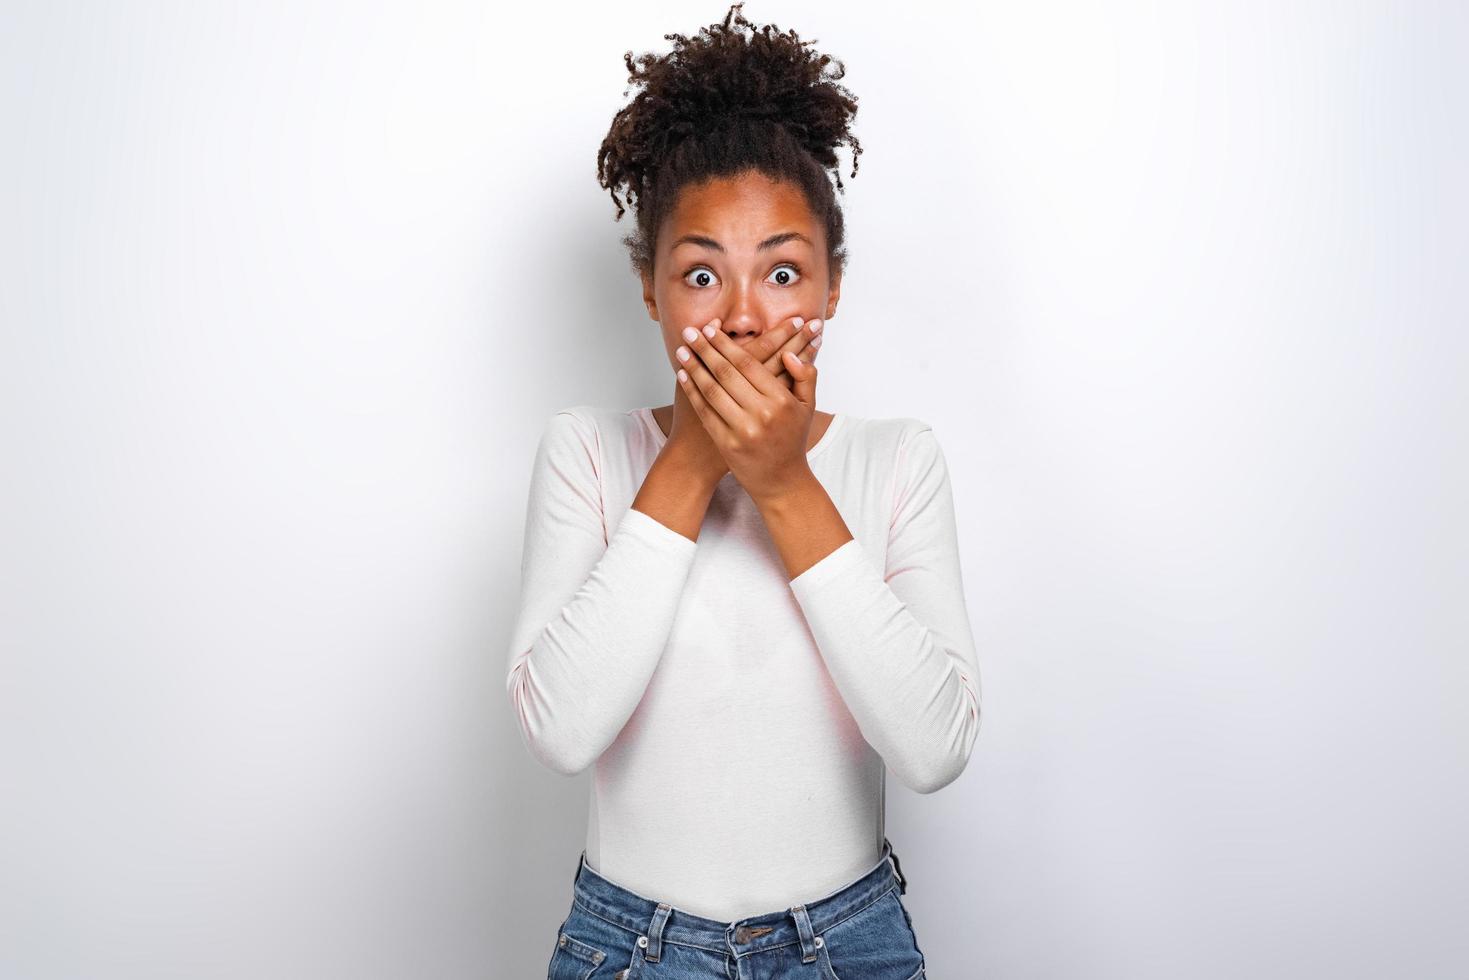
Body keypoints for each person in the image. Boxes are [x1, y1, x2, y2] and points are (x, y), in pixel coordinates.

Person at [505, 5, 982, 977]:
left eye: (779, 270)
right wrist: (692, 458)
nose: (739, 317)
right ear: (648, 287)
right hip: (630, 947)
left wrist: (780, 481)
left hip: (848, 945)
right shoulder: (587, 454)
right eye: (698, 273)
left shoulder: (897, 461)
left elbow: (933, 747)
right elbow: (559, 726)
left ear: (831, 286)